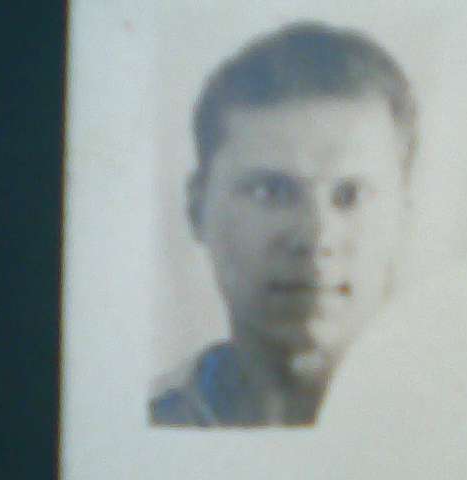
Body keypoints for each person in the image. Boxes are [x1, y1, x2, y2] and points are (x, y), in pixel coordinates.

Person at [150, 21, 418, 427]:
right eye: (271, 192)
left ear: (403, 217)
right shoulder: (134, 428)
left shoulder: (459, 429)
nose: (316, 237)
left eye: (351, 195)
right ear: (196, 208)